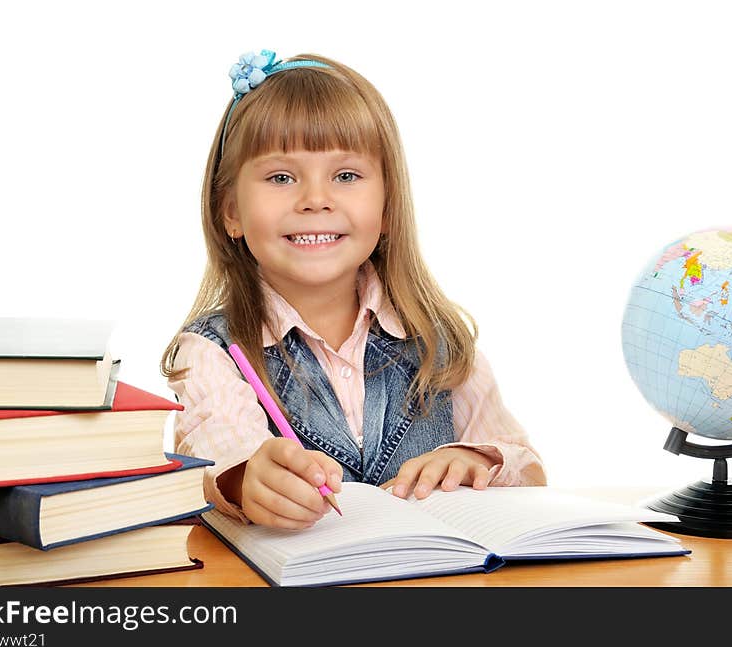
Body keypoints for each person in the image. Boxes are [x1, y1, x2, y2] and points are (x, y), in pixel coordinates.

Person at [161, 50, 546, 529]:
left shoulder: (438, 340)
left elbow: (527, 470)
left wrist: (479, 460)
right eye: (281, 177)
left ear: (386, 207)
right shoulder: (209, 352)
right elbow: (218, 456)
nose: (316, 200)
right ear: (231, 211)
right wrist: (249, 479)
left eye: (346, 176)